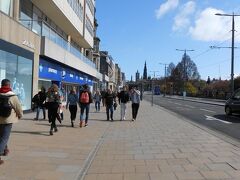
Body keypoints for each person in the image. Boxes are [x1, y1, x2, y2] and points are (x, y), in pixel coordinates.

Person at [0, 79, 23, 165]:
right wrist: (20, 115)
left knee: (1, 136)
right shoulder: (13, 96)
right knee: (4, 137)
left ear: (2, 85)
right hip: (8, 120)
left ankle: (5, 150)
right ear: (9, 85)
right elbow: (18, 108)